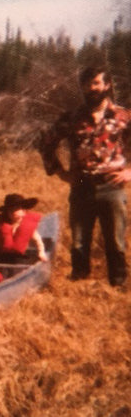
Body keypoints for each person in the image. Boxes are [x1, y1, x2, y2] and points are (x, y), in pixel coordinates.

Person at [40, 65, 131, 287]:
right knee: (79, 241)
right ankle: (79, 282)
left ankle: (118, 283)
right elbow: (46, 143)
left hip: (112, 186)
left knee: (116, 240)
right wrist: (59, 172)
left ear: (107, 85)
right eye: (87, 84)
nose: (91, 89)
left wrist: (129, 171)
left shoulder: (123, 116)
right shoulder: (72, 118)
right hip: (81, 187)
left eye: (96, 83)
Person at [0, 193, 47, 265]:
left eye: (15, 209)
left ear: (23, 211)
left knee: (19, 262)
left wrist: (41, 252)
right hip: (3, 255)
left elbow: (38, 240)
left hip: (18, 257)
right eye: (9, 210)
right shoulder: (4, 225)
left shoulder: (27, 225)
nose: (11, 212)